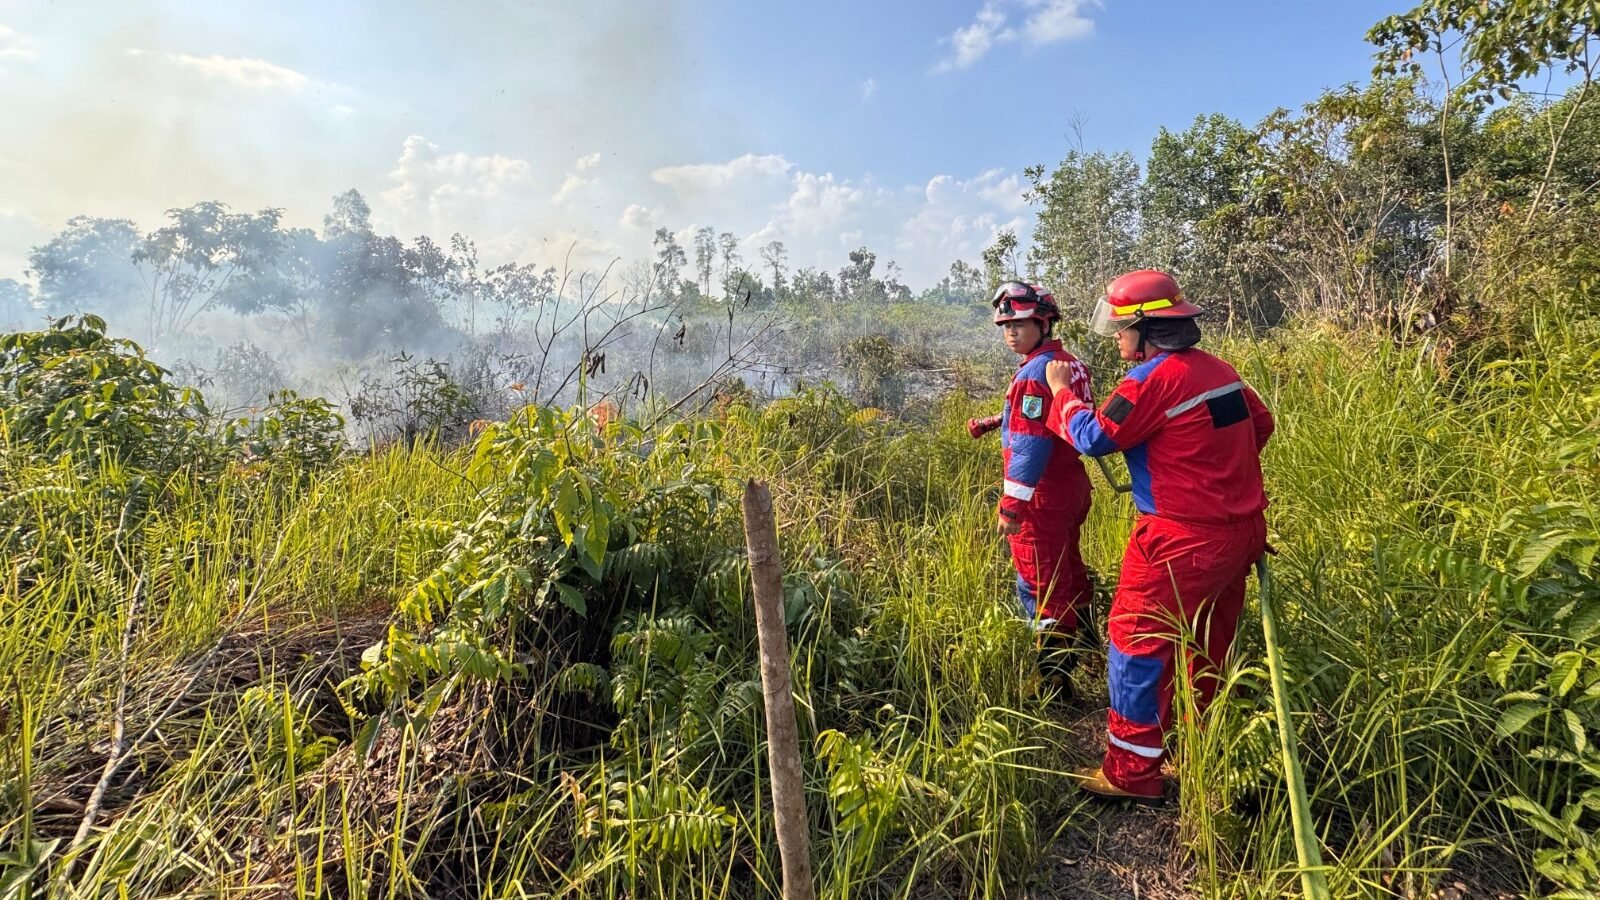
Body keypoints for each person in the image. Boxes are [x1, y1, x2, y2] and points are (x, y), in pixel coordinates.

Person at [1044, 269, 1274, 800]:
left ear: (1147, 329)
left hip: (1180, 539)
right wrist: (1218, 480)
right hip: (1240, 532)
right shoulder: (1221, 371)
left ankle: (1130, 772)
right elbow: (1261, 426)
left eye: (1122, 329)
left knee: (1136, 640)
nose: (1118, 339)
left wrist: (1061, 392)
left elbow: (1093, 437)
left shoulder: (1149, 382)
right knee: (1205, 643)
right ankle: (1197, 747)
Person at [967, 281, 1096, 687]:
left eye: (1020, 324)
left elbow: (1029, 445)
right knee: (1069, 571)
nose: (1010, 332)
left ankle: (1055, 686)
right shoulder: (1067, 364)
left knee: (1041, 583)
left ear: (1044, 323)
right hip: (1071, 485)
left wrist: (1011, 507)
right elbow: (1050, 417)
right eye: (1005, 325)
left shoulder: (1033, 373)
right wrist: (994, 422)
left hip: (1041, 495)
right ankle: (1090, 650)